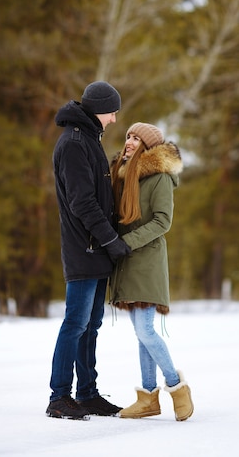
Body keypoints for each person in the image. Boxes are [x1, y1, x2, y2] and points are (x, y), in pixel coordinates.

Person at [46, 81, 131, 421]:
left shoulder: (88, 140)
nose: (113, 120)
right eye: (112, 112)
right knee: (75, 323)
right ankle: (59, 396)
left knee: (91, 324)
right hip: (85, 247)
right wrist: (110, 239)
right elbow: (82, 202)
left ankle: (87, 393)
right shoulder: (74, 144)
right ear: (100, 109)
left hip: (96, 249)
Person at [109, 122, 194, 422]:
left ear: (148, 147)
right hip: (127, 261)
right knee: (141, 333)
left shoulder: (159, 177)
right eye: (128, 136)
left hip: (146, 261)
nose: (129, 142)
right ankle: (147, 398)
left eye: (136, 138)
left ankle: (176, 387)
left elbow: (162, 221)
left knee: (145, 330)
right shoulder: (122, 175)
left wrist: (125, 243)